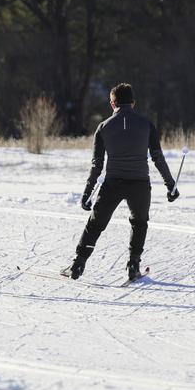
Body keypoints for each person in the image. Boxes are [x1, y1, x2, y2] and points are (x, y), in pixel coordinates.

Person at [67, 83, 180, 281]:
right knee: (139, 223)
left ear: (113, 104)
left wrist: (87, 193)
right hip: (140, 184)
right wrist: (171, 185)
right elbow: (158, 158)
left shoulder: (103, 127)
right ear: (133, 103)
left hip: (112, 184)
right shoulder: (147, 125)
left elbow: (97, 165)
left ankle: (77, 265)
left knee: (95, 225)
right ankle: (133, 266)